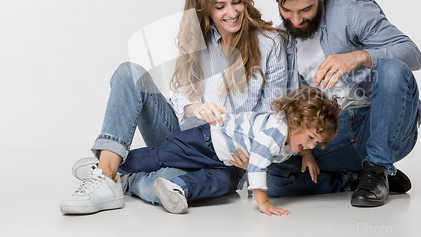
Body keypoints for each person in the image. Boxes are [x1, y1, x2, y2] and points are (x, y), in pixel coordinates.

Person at [60, 0, 288, 214]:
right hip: (184, 138)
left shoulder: (271, 44)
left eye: (237, 2)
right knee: (130, 72)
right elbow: (178, 95)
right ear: (205, 9)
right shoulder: (199, 39)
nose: (232, 13)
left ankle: (117, 175)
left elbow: (275, 113)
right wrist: (194, 108)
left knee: (162, 187)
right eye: (220, 6)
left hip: (225, 157)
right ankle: (105, 175)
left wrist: (255, 156)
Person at [266, 0, 421, 207]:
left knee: (393, 70)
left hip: (378, 124)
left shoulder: (352, 11)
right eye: (286, 10)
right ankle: (357, 178)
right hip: (328, 134)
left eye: (305, 10)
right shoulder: (283, 38)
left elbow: (413, 54)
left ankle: (377, 167)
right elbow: (291, 108)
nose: (295, 21)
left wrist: (360, 56)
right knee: (270, 180)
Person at [116, 87, 340, 216]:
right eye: (311, 138)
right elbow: (256, 165)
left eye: (317, 143)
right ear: (295, 121)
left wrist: (307, 154)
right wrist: (263, 202)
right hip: (205, 141)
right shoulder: (275, 132)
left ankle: (177, 188)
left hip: (223, 161)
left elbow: (302, 143)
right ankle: (115, 163)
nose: (311, 145)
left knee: (220, 183)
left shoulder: (293, 136)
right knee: (161, 156)